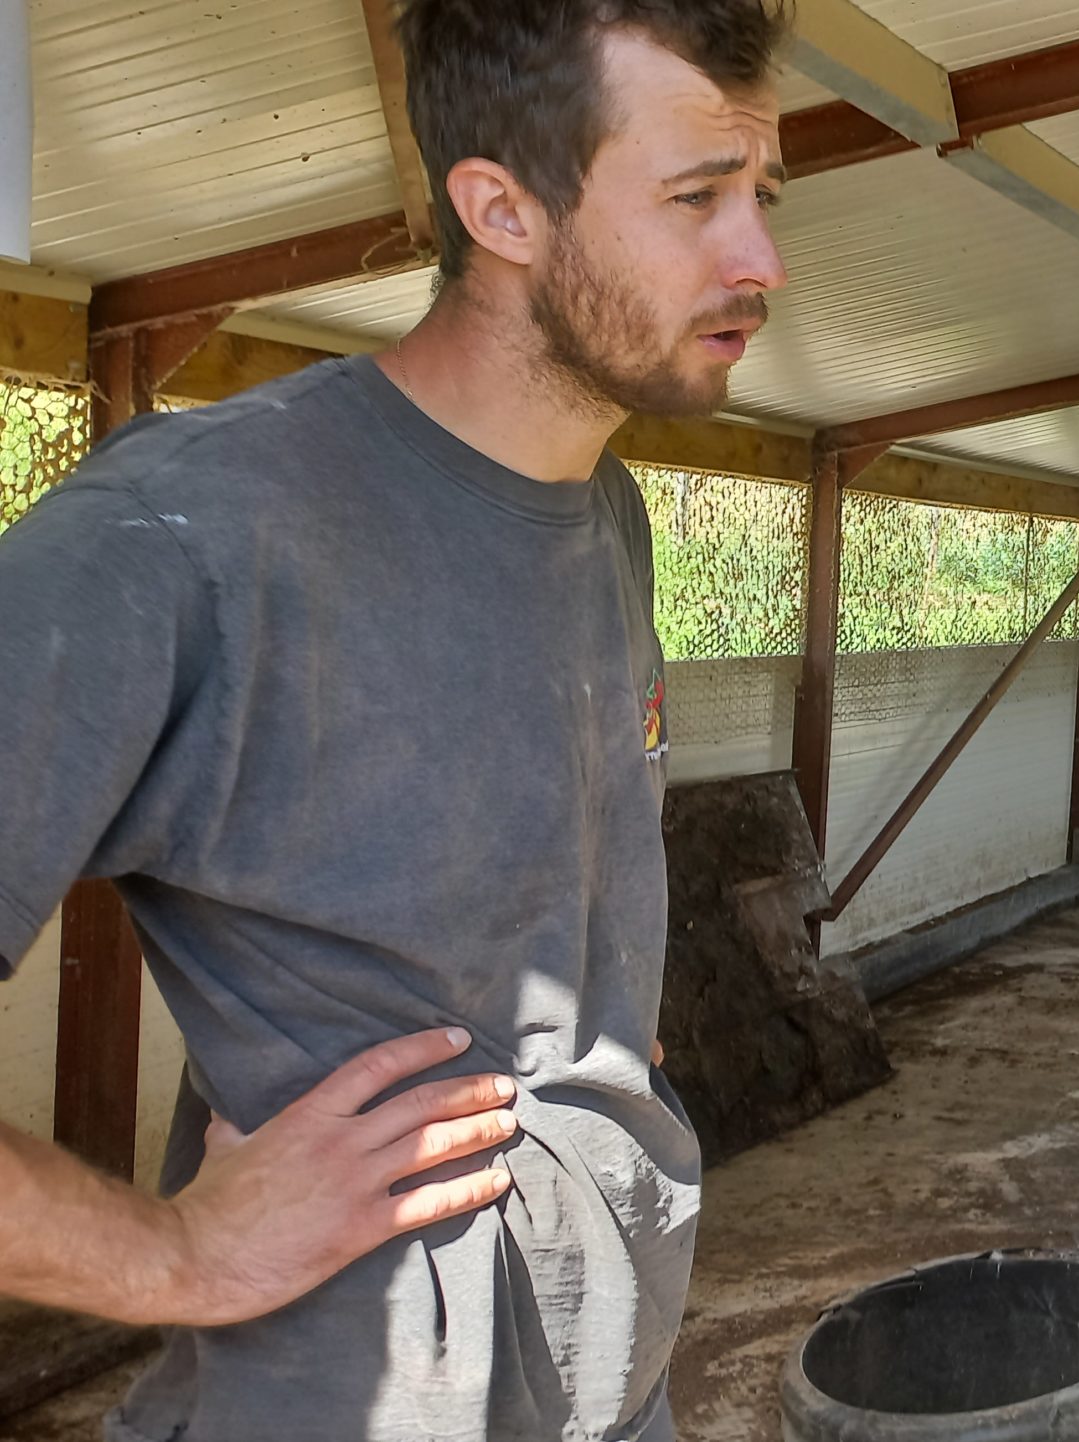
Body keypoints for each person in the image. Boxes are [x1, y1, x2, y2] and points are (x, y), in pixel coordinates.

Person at [0, 1, 790, 1436]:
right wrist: (178, 1251)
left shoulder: (605, 515)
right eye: (696, 199)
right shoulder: (184, 533)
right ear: (502, 209)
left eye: (761, 194)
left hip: (610, 1393)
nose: (760, 260)